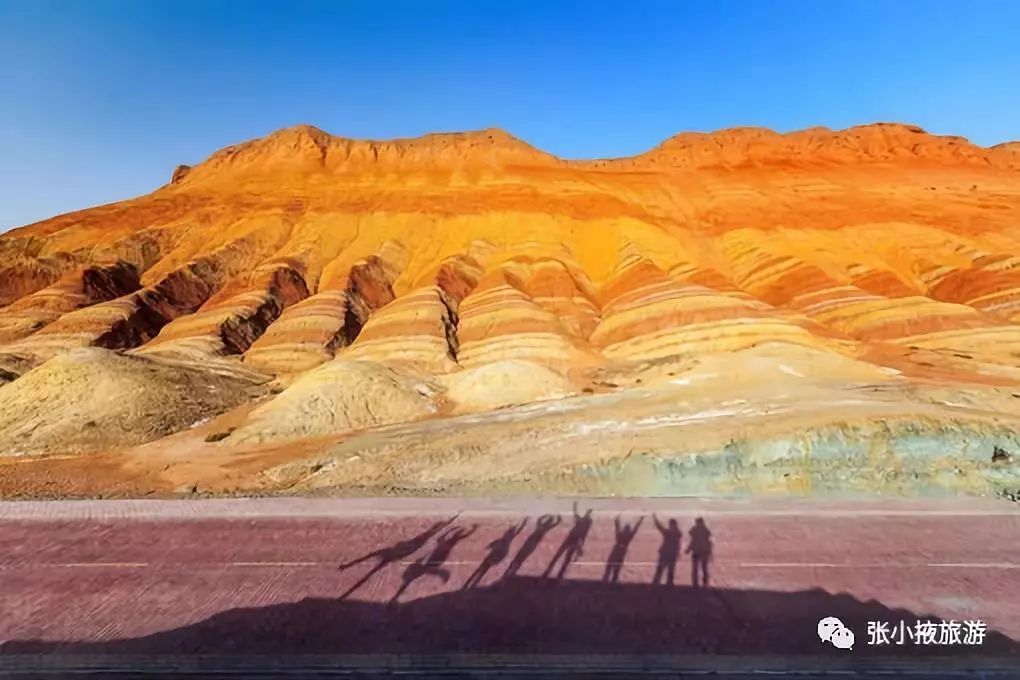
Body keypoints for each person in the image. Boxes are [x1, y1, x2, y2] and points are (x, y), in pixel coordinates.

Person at [651, 515, 681, 586]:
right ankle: (658, 582)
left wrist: (677, 553)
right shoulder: (675, 533)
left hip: (668, 553)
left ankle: (665, 582)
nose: (671, 526)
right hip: (667, 553)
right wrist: (655, 518)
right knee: (662, 569)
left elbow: (678, 545)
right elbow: (660, 527)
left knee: (668, 569)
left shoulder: (671, 533)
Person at [686, 517, 712, 588]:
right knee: (704, 568)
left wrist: (688, 550)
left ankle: (695, 583)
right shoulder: (705, 530)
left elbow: (693, 541)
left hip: (697, 551)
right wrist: (710, 553)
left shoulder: (695, 530)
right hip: (704, 552)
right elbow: (709, 542)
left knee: (695, 568)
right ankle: (705, 583)